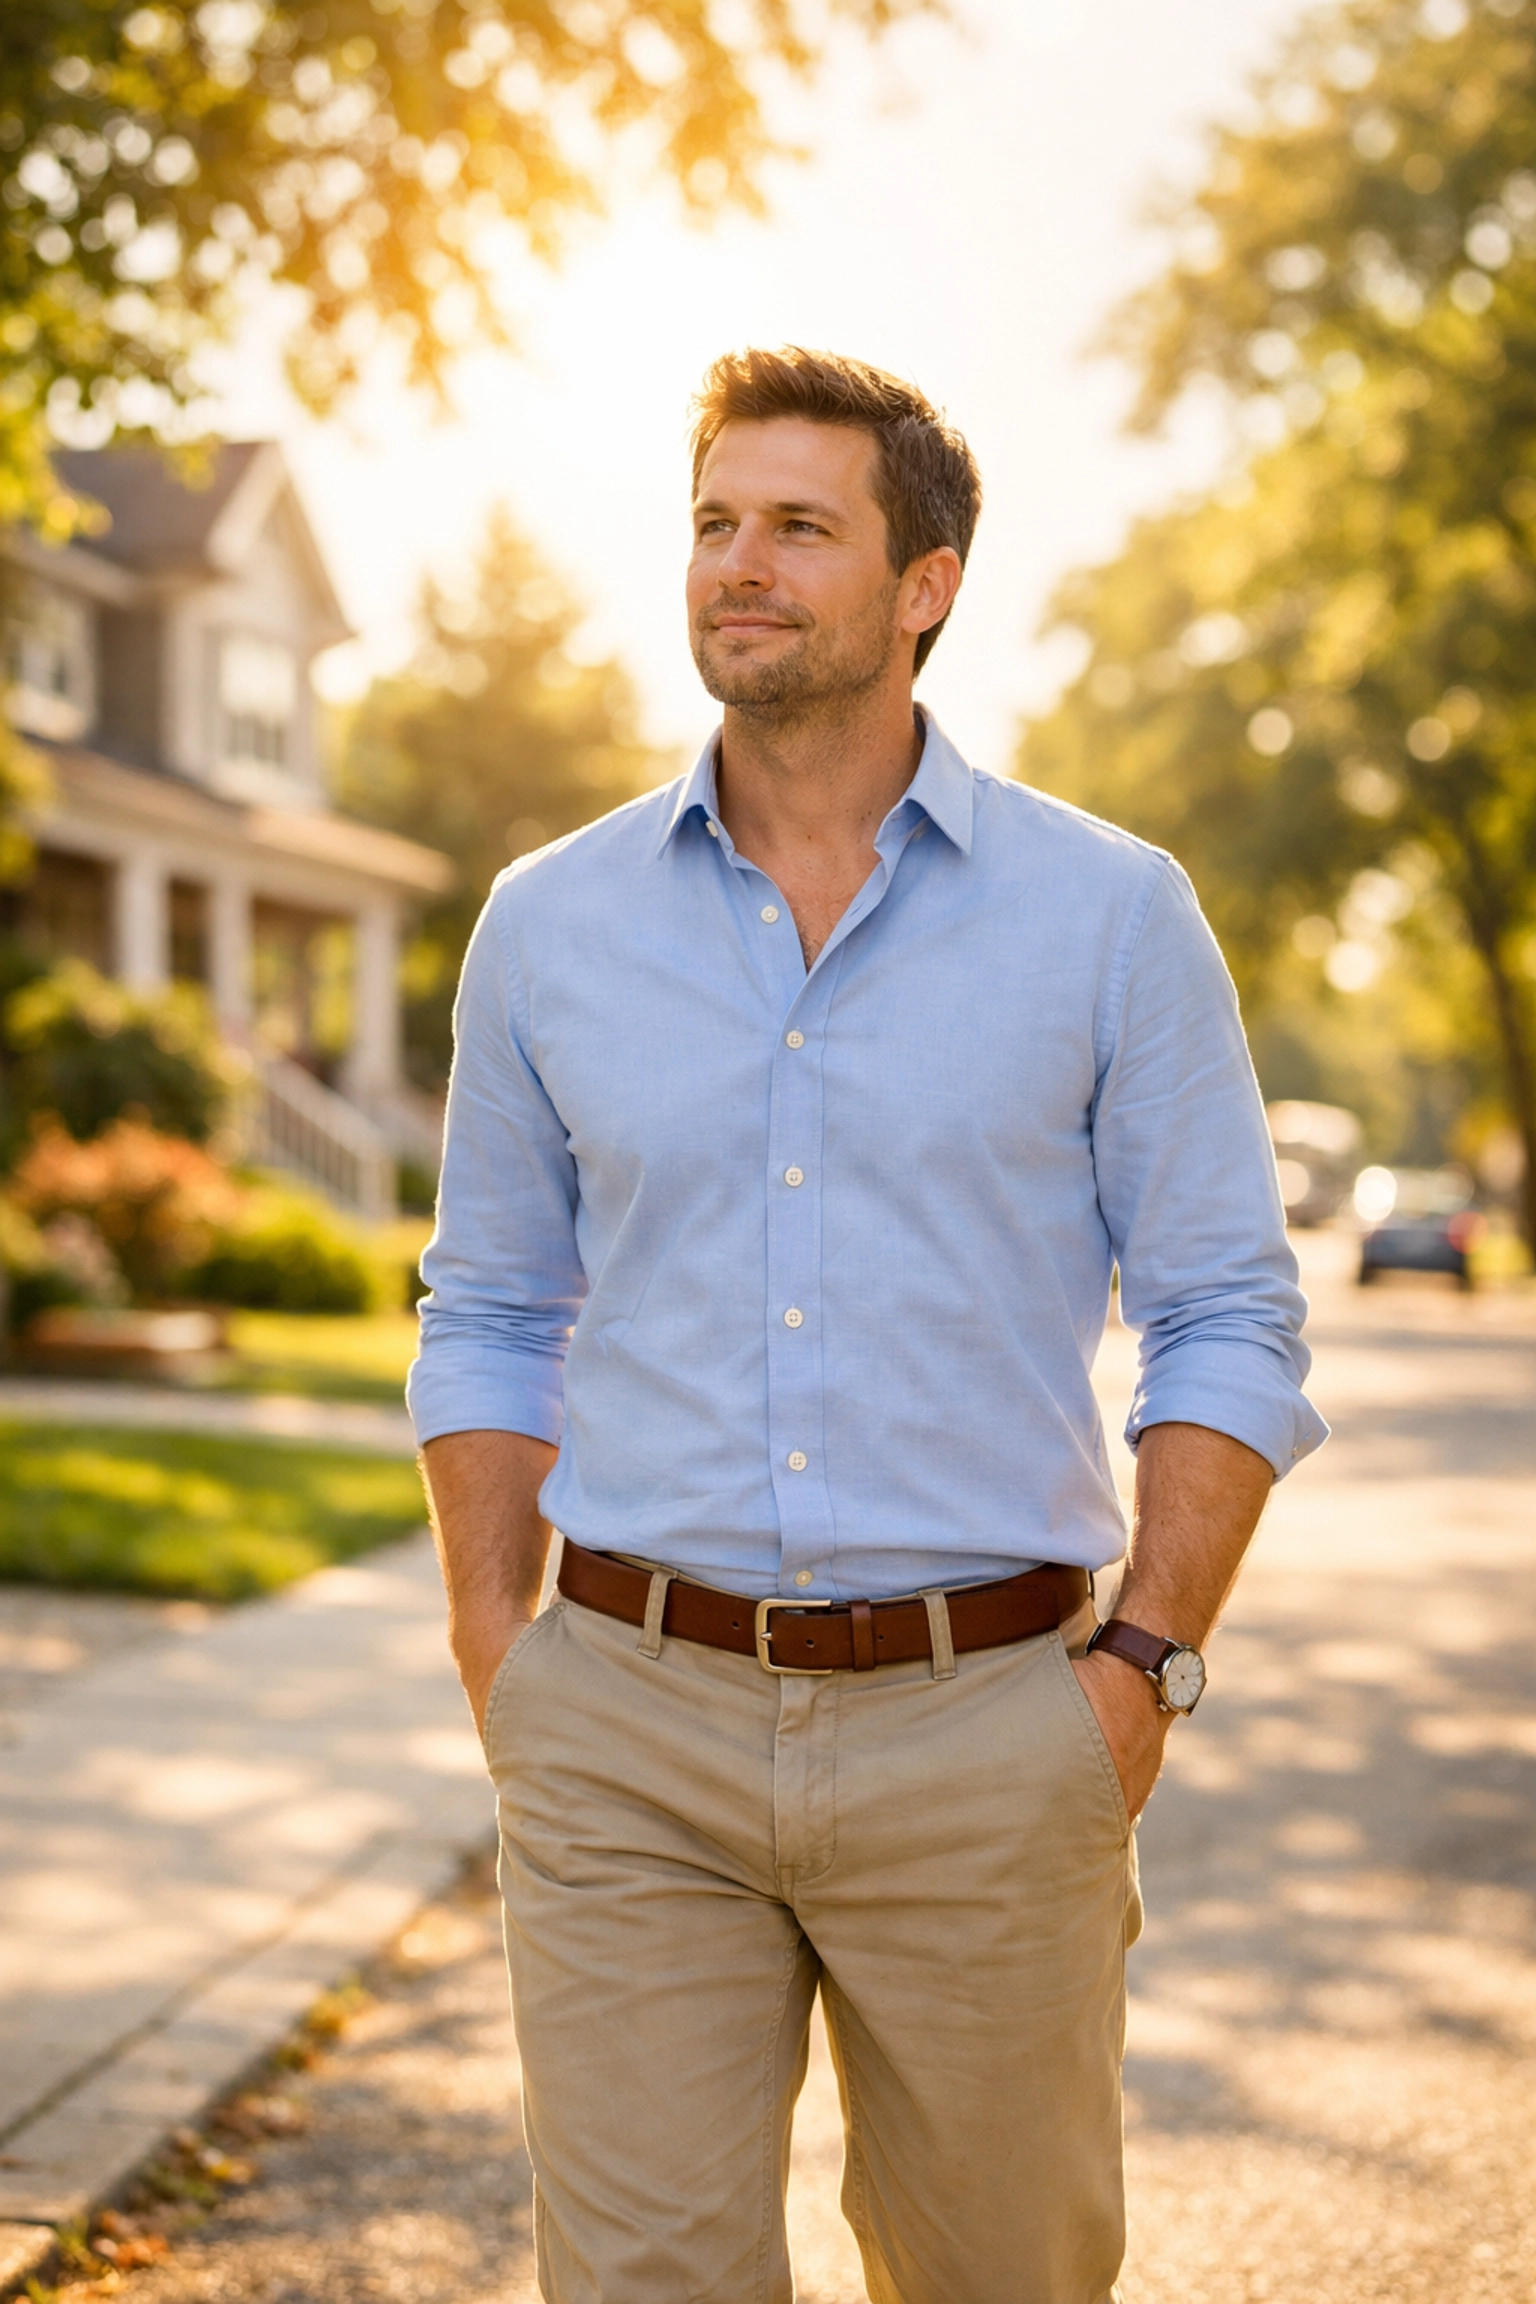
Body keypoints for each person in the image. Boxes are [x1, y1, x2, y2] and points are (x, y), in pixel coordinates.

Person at [409, 345, 1327, 2304]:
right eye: (714, 523)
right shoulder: (549, 924)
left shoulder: (1109, 917)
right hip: (629, 1730)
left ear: (927, 585)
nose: (740, 564)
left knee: (1002, 2279)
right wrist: (504, 1650)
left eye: (799, 527)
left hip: (993, 1732)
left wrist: (1140, 1666)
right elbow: (489, 1304)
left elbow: (1228, 1315)